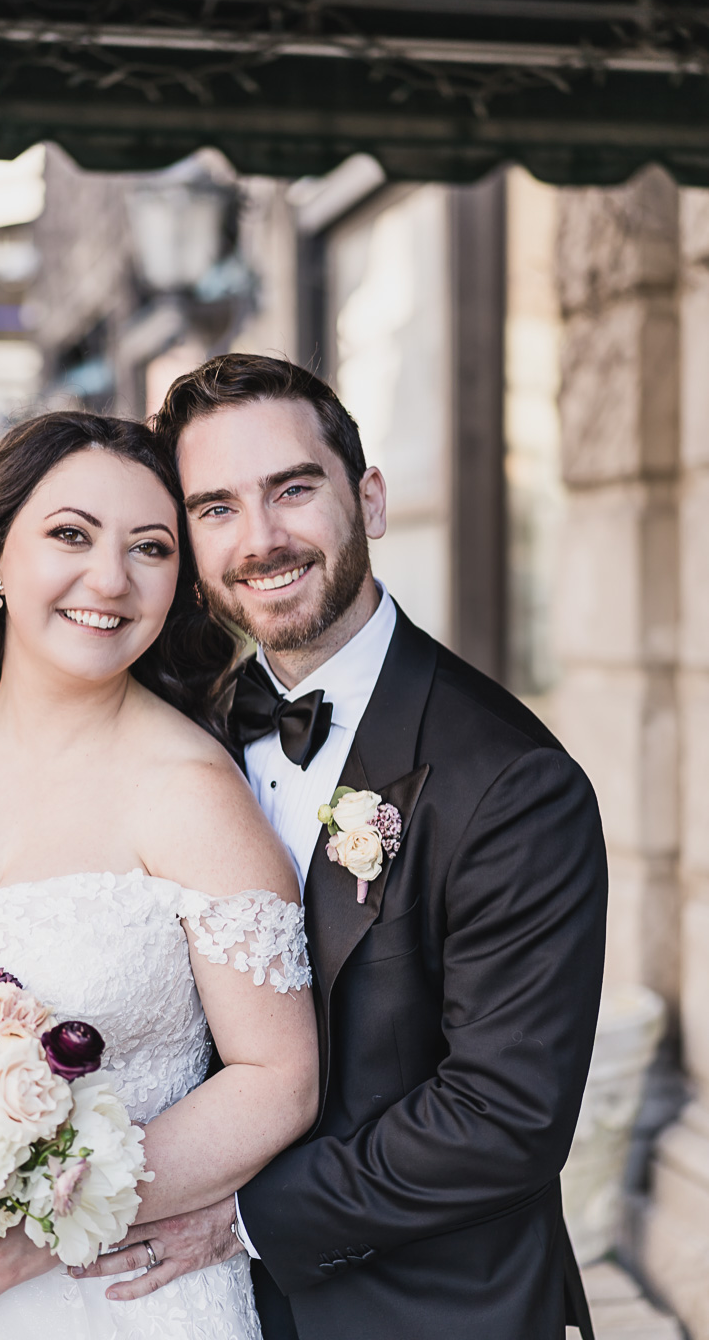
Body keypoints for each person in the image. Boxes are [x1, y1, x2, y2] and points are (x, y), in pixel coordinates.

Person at [82, 355, 608, 1340]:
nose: (262, 539)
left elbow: (502, 1116)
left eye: (291, 489)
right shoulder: (177, 739)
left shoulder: (509, 781)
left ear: (365, 499)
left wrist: (239, 1220)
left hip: (431, 1309)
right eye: (217, 508)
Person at [0, 410, 319, 1340]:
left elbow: (278, 1076)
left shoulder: (195, 796)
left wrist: (58, 1221)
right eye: (70, 535)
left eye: (150, 549)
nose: (108, 579)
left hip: (110, 1301)